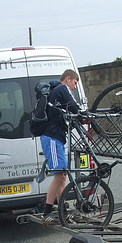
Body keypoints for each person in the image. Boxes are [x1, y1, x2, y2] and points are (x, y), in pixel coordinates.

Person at [39, 69, 81, 222]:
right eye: (75, 83)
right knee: (59, 175)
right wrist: (85, 114)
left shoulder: (56, 92)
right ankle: (48, 210)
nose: (75, 87)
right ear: (68, 79)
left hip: (55, 137)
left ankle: (62, 209)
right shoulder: (62, 89)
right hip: (52, 137)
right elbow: (75, 107)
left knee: (62, 175)